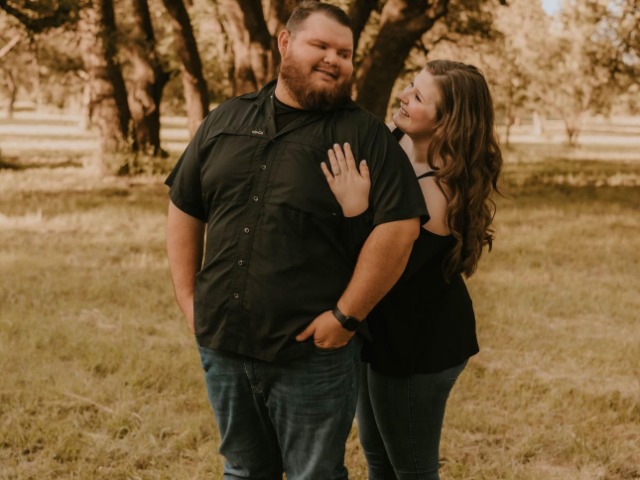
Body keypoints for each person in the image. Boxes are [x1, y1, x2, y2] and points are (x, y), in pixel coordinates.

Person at [164, 2, 428, 479]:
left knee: (315, 475)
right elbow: (185, 205)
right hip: (223, 344)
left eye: (344, 53)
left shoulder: (365, 135)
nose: (334, 59)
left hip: (312, 355)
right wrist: (188, 299)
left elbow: (400, 228)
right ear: (286, 43)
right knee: (244, 471)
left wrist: (346, 316)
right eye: (320, 46)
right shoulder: (225, 119)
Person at [322, 60, 503, 480]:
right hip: (382, 334)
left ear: (447, 122)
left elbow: (377, 266)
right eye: (410, 85)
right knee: (378, 458)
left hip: (418, 349)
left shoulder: (434, 193)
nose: (403, 95)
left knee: (413, 470)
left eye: (419, 97)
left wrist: (354, 210)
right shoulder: (397, 140)